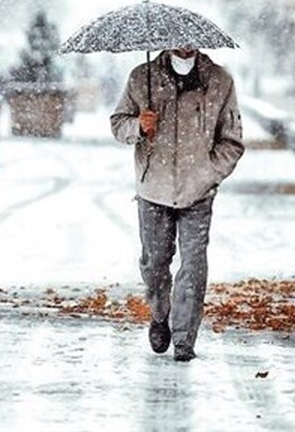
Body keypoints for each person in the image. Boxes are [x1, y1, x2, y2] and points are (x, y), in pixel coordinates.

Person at [110, 46, 245, 362]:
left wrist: (209, 173)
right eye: (176, 41)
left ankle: (184, 338)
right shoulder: (142, 77)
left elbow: (233, 140)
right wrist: (139, 127)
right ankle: (160, 314)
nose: (183, 47)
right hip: (153, 188)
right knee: (155, 263)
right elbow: (118, 124)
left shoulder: (220, 81)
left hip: (198, 192)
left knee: (194, 265)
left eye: (189, 41)